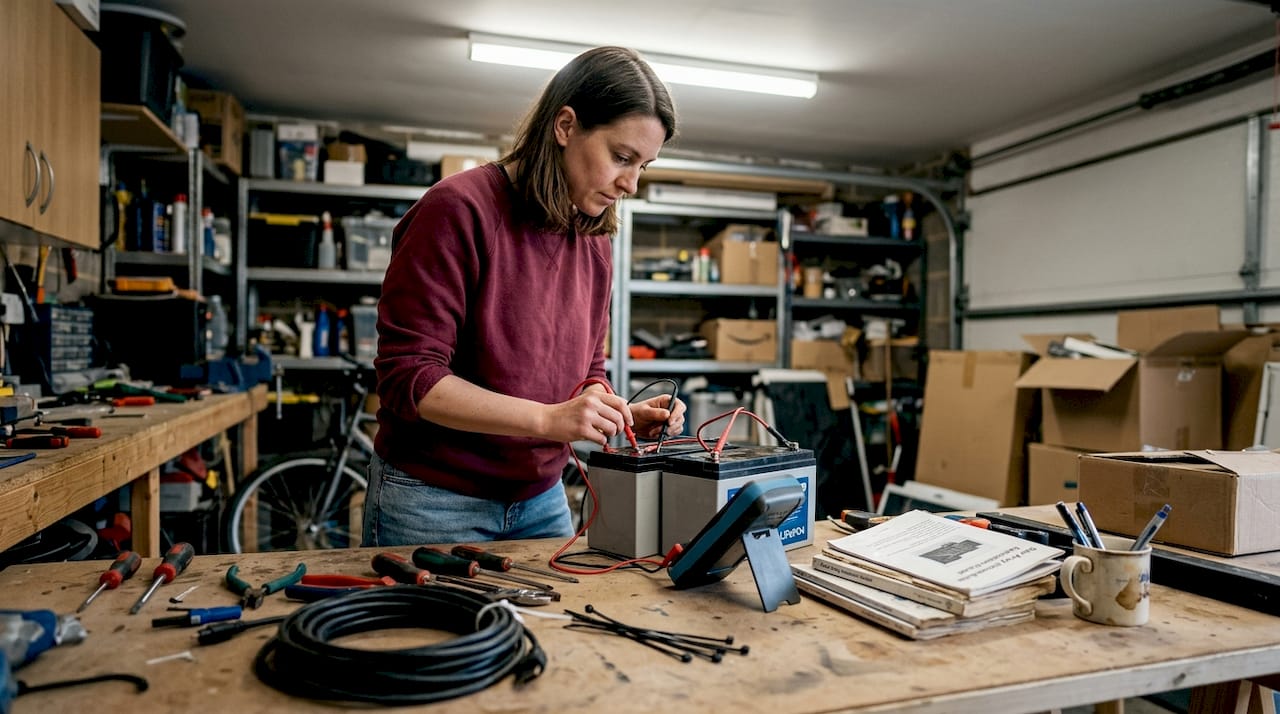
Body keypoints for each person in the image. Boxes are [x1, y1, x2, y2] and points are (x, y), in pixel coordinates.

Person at [365, 46, 685, 546]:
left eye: (643, 165)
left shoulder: (595, 239)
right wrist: (549, 418)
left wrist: (606, 408)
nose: (631, 184)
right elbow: (412, 377)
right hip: (433, 498)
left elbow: (588, 368)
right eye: (622, 157)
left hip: (540, 496)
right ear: (565, 126)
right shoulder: (457, 210)